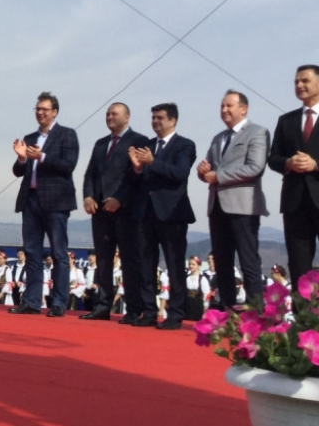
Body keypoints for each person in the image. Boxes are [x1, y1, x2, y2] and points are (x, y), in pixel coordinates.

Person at [197, 90, 270, 309]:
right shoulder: (218, 138)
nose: (224, 110)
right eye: (222, 106)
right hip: (217, 206)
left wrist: (218, 176)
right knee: (222, 264)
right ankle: (227, 312)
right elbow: (209, 169)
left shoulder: (257, 132)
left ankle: (256, 313)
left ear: (243, 109)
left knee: (249, 263)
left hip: (243, 207)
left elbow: (255, 168)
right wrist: (203, 172)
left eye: (229, 105)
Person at [9, 92, 80, 317]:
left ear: (55, 112)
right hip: (30, 199)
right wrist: (22, 158)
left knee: (58, 253)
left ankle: (58, 302)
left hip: (56, 201)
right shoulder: (30, 137)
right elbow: (19, 171)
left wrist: (43, 157)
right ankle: (31, 301)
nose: (40, 113)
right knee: (32, 252)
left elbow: (68, 165)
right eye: (37, 109)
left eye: (45, 109)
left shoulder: (66, 134)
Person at [129, 103, 196, 329]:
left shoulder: (184, 145)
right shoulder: (146, 146)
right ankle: (149, 311)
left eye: (160, 118)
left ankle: (175, 314)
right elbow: (136, 179)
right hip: (145, 212)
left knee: (175, 264)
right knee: (146, 264)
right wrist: (137, 168)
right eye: (153, 118)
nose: (155, 122)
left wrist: (152, 162)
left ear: (172, 120)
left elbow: (180, 173)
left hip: (171, 213)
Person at [80, 102, 150, 321]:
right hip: (100, 211)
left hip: (126, 211)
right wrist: (88, 196)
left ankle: (133, 309)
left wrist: (120, 198)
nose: (110, 117)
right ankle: (102, 305)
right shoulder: (101, 143)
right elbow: (90, 173)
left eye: (115, 114)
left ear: (127, 117)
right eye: (108, 114)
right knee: (103, 259)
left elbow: (137, 175)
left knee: (129, 259)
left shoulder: (139, 141)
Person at [268, 64, 319, 291]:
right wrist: (288, 163)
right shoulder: (286, 120)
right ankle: (303, 313)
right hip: (295, 202)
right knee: (299, 267)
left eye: (305, 80)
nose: (299, 85)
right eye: (296, 81)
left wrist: (315, 164)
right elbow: (273, 158)